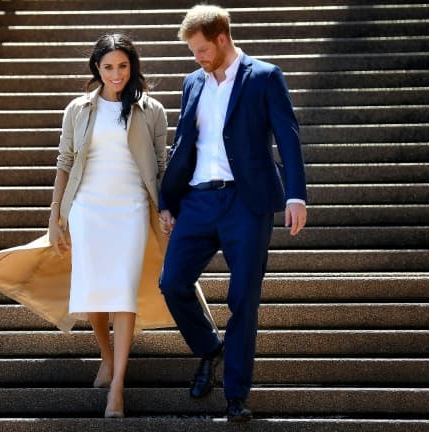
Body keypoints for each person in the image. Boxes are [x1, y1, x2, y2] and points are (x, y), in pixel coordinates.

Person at [0, 33, 196, 419]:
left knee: (122, 293)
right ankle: (106, 356)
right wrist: (55, 216)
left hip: (133, 208)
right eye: (108, 67)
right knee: (95, 293)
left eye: (123, 66)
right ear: (96, 68)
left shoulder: (151, 109)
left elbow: (160, 164)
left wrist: (167, 207)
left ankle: (117, 387)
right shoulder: (79, 108)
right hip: (87, 209)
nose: (117, 74)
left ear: (133, 66)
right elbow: (65, 161)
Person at [158, 5, 308, 422]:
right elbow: (183, 144)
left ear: (222, 38)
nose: (197, 58)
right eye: (193, 51)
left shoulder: (264, 76)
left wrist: (296, 195)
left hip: (247, 202)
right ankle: (210, 348)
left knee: (243, 298)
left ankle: (236, 396)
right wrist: (167, 199)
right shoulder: (192, 82)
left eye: (202, 49)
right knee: (172, 283)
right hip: (199, 201)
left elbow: (288, 137)